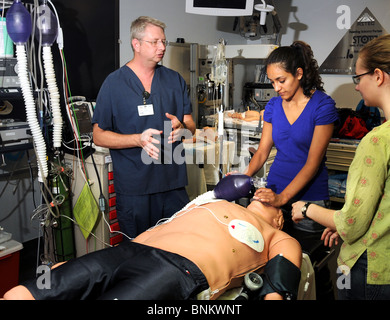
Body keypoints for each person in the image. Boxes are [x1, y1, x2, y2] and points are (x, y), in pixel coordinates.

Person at [2, 198, 302, 300]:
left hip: (178, 268)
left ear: (279, 216)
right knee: (29, 291)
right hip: (131, 249)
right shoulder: (215, 201)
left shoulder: (274, 233)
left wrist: (273, 294)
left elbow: (280, 278)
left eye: (271, 200)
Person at [291, 34, 390, 300]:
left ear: (378, 76)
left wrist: (306, 208)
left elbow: (351, 224)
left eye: (359, 78)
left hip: (371, 267)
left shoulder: (378, 141)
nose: (356, 87)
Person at [92, 16, 196, 238]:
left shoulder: (174, 80)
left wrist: (183, 128)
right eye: (154, 42)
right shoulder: (114, 84)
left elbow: (190, 124)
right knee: (139, 251)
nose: (162, 47)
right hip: (135, 189)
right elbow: (98, 136)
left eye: (164, 42)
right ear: (136, 44)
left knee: (179, 246)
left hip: (173, 186)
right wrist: (137, 139)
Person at [245, 41, 339, 233]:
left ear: (298, 73)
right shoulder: (273, 106)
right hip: (274, 193)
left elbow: (313, 162)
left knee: (305, 257)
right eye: (272, 82)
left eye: (281, 80)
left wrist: (283, 198)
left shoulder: (323, 106)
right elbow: (262, 152)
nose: (276, 87)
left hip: (309, 200)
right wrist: (243, 177)